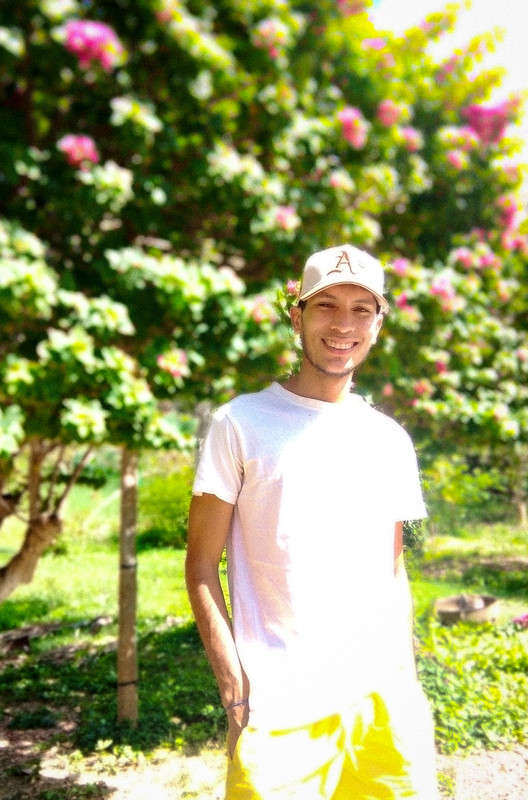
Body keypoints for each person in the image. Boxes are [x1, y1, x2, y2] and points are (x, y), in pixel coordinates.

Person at [185, 244, 439, 799]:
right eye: (326, 306)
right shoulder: (239, 423)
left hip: (380, 695)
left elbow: (391, 570)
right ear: (297, 316)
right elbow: (201, 565)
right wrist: (233, 682)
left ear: (379, 323)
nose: (343, 324)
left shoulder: (389, 440)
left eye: (360, 308)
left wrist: (406, 679)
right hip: (279, 701)